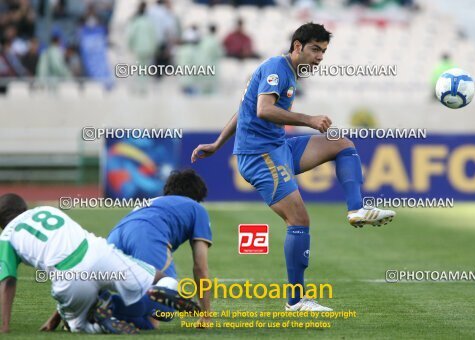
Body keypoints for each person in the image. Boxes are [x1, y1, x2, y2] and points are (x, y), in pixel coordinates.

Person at [191, 22, 395, 312]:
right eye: (315, 49)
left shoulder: (288, 71)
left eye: (324, 52)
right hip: (260, 155)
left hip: (279, 147)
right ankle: (296, 301)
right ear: (297, 46)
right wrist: (309, 119)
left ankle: (356, 209)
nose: (320, 57)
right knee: (299, 220)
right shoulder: (277, 67)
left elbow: (245, 108)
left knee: (342, 144)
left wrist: (217, 143)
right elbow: (263, 109)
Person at [0, 193, 198, 334]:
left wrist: (5, 326)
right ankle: (162, 292)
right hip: (99, 252)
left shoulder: (7, 236)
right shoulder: (47, 209)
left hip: (68, 277)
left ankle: (101, 318)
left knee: (77, 326)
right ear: (24, 208)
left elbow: (8, 280)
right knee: (159, 278)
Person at [107, 169, 212, 327]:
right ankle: (110, 307)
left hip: (115, 235)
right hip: (146, 235)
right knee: (163, 309)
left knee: (98, 281)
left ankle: (91, 312)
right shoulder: (196, 208)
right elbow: (200, 267)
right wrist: (206, 316)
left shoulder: (154, 202)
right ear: (197, 197)